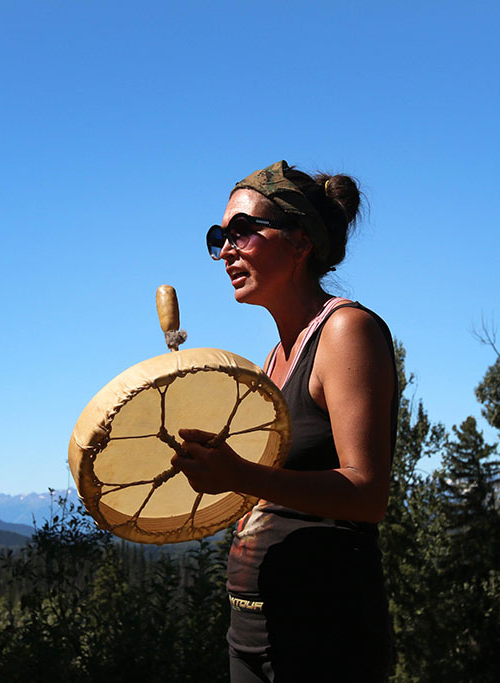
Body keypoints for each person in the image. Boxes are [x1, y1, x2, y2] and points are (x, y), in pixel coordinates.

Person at [171, 160, 399, 682]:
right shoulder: (273, 360)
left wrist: (241, 475)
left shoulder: (347, 332)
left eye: (242, 232)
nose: (225, 250)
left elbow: (368, 493)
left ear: (301, 243)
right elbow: (271, 489)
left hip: (324, 638)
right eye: (218, 237)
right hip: (253, 633)